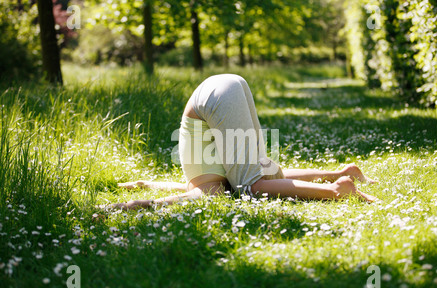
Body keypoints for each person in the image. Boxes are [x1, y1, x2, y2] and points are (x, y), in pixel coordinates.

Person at [103, 74, 377, 210]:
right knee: (262, 176)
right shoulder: (208, 175)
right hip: (228, 85)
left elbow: (205, 193)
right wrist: (146, 184)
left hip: (214, 98)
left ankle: (338, 189)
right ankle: (343, 173)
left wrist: (141, 203)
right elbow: (200, 188)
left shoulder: (208, 181)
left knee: (249, 187)